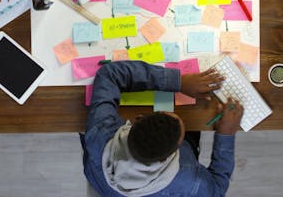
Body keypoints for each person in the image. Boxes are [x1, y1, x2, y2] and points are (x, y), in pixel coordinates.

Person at [80, 60, 244, 197]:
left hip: (103, 181)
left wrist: (178, 81)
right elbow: (217, 188)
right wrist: (226, 134)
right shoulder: (189, 180)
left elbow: (109, 74)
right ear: (168, 157)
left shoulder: (99, 135)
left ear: (138, 119)